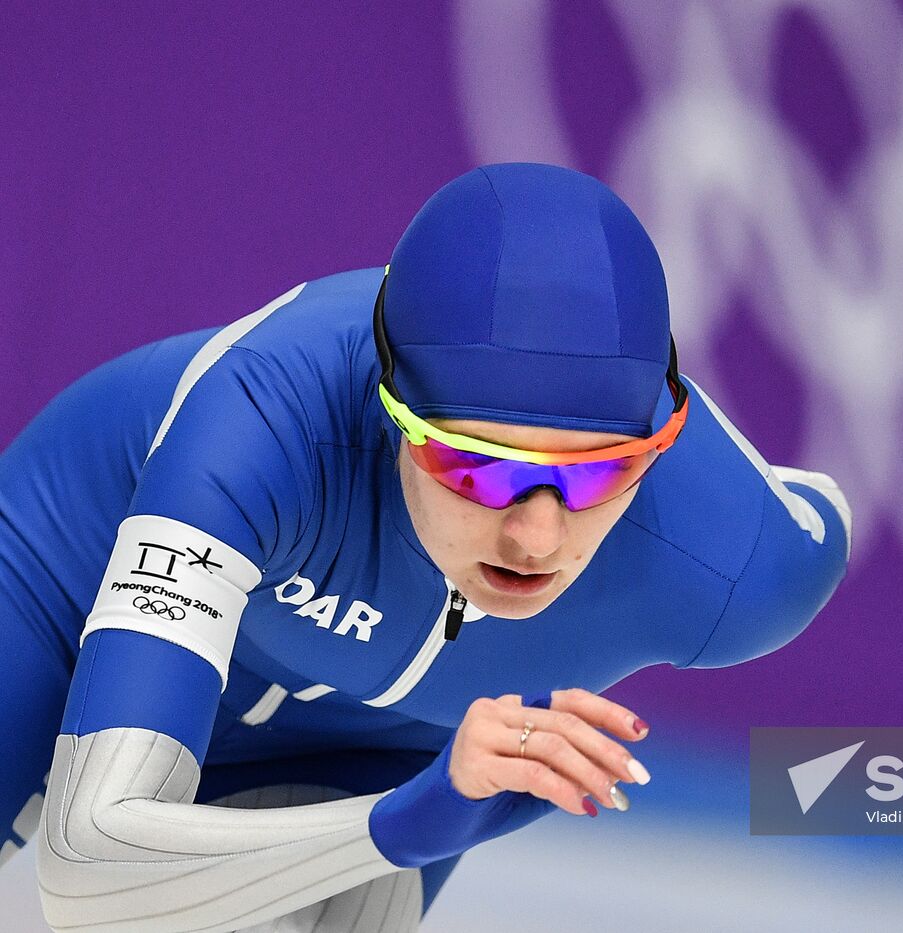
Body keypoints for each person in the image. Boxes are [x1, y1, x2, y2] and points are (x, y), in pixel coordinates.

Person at [0, 162, 851, 931]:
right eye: (477, 467)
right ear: (390, 411)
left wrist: (416, 805)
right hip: (60, 594)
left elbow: (824, 510)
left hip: (377, 749)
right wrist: (404, 823)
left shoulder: (741, 564)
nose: (537, 537)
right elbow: (88, 877)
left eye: (598, 473)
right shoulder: (264, 424)